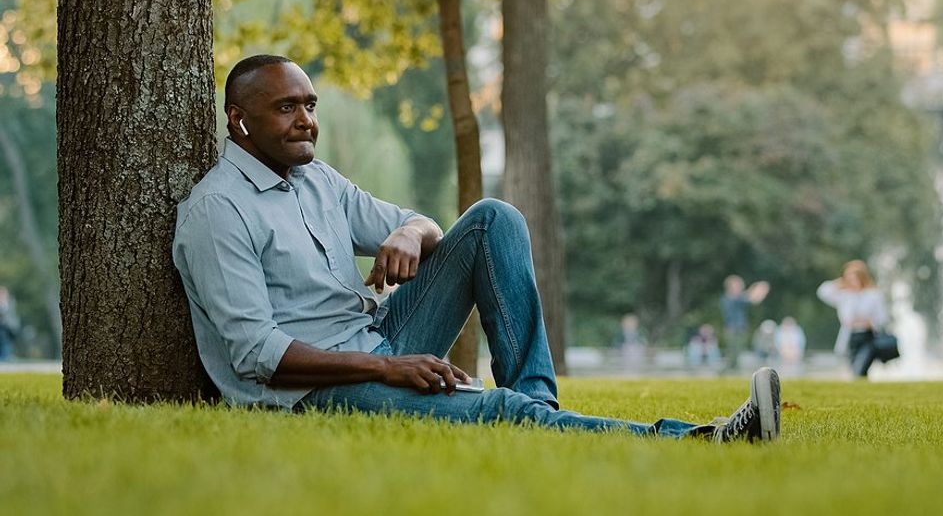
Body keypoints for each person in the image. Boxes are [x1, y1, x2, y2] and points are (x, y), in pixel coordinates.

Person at [172, 55, 781, 443]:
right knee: (496, 414)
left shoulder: (315, 178)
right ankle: (703, 438)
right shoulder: (217, 212)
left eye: (310, 105)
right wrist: (389, 367)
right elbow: (257, 355)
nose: (306, 120)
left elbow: (421, 225)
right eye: (286, 108)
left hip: (378, 341)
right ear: (239, 122)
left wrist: (410, 231)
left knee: (494, 219)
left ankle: (537, 412)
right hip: (308, 394)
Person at [817, 260, 889, 378]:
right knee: (854, 368)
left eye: (854, 278)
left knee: (860, 367)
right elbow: (822, 291)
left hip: (868, 337)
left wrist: (870, 322)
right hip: (850, 337)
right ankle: (864, 390)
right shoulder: (845, 296)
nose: (852, 282)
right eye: (848, 278)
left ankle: (862, 385)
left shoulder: (873, 295)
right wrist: (840, 282)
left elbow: (882, 317)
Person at [720, 275, 770, 371]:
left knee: (737, 355)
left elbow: (751, 299)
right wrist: (757, 288)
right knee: (733, 355)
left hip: (739, 329)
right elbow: (750, 298)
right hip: (732, 330)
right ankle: (726, 372)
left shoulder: (736, 298)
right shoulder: (729, 298)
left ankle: (731, 373)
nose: (740, 288)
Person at [0, 286, 19, 361]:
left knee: (6, 342)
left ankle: (6, 357)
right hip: (1, 327)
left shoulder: (10, 302)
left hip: (7, 327)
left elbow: (9, 314)